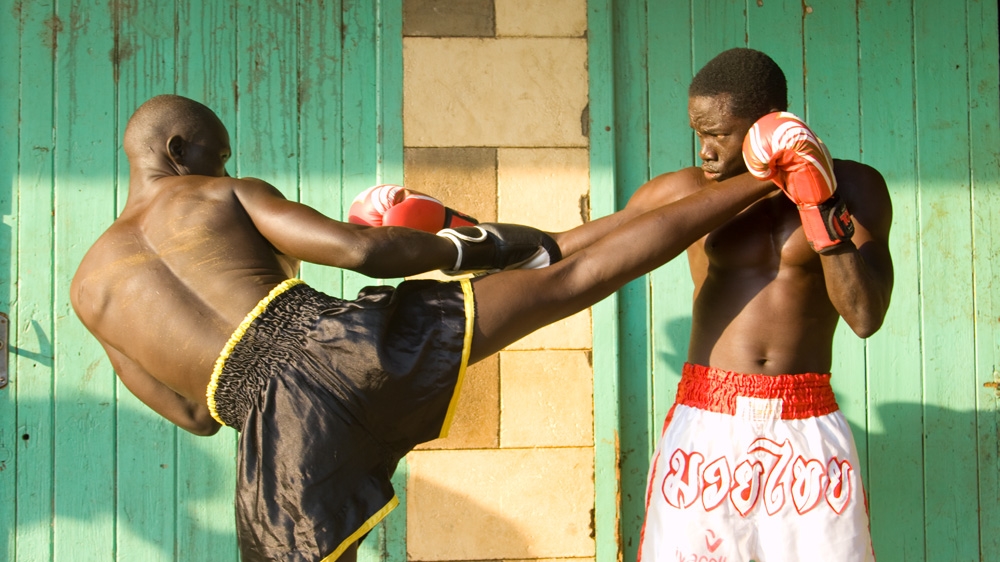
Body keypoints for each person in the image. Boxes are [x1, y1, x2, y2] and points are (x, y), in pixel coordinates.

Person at [70, 94, 781, 562]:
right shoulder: (221, 193)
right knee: (563, 278)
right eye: (219, 153)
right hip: (334, 345)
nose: (226, 165)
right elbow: (361, 251)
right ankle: (771, 174)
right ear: (177, 151)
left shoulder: (89, 290)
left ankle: (528, 242)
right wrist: (474, 245)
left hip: (265, 423)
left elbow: (196, 416)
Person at [555, 48, 893, 561]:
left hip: (805, 426)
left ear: (766, 125)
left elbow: (865, 316)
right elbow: (565, 250)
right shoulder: (685, 191)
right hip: (707, 422)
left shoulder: (856, 186)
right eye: (699, 133)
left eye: (718, 134)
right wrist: (452, 236)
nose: (705, 151)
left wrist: (820, 207)